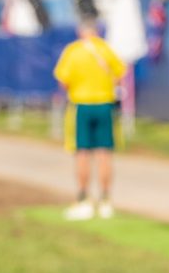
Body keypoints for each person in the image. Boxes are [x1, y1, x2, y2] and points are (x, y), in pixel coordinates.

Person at [53, 19, 126, 220]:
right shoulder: (106, 50)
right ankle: (105, 200)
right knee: (104, 153)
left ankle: (84, 198)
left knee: (82, 153)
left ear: (80, 31)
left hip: (82, 106)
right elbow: (120, 74)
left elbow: (63, 81)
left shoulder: (73, 51)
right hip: (105, 105)